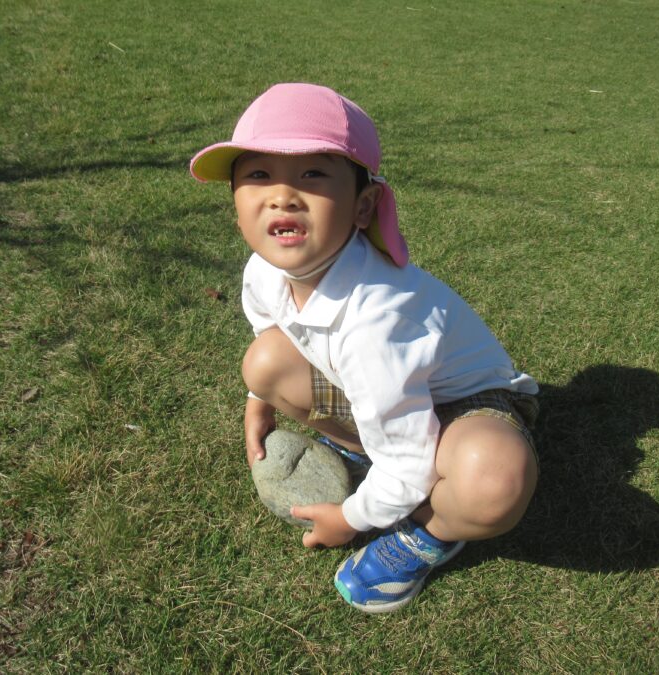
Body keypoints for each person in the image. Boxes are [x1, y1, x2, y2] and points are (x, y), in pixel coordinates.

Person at [189, 83, 539, 613]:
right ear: (235, 206)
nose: (282, 196)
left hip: (466, 409)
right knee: (265, 362)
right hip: (384, 395)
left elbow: (411, 453)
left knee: (493, 478)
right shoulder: (264, 272)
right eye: (258, 174)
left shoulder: (378, 322)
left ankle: (428, 532)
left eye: (312, 173)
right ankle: (372, 459)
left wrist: (349, 518)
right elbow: (271, 331)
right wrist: (258, 401)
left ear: (363, 205)